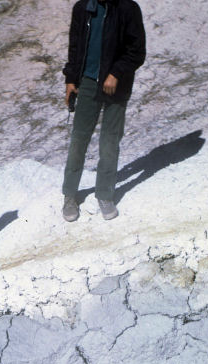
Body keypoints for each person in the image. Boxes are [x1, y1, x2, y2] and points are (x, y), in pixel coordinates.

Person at [62, 0, 146, 222]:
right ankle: (70, 195)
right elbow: (74, 46)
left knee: (109, 141)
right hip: (88, 81)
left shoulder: (128, 8)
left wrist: (116, 73)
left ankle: (105, 194)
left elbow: (137, 51)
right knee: (79, 139)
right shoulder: (82, 8)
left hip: (117, 85)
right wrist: (70, 79)